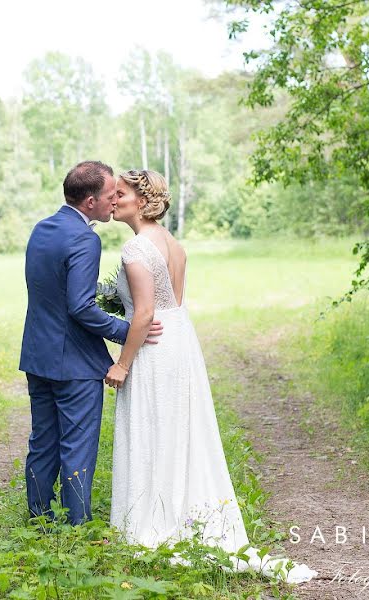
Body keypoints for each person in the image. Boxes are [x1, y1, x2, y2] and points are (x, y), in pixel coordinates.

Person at [104, 169, 317, 583]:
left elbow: (146, 314)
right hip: (180, 343)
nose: (113, 200)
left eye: (121, 194)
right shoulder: (173, 245)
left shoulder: (134, 249)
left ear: (142, 199)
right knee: (179, 430)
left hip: (153, 347)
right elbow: (173, 304)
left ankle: (152, 520)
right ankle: (179, 511)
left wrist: (122, 364)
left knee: (153, 429)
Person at [19, 161, 163, 525]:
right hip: (74, 363)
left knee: (43, 441)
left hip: (38, 355)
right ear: (89, 202)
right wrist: (128, 330)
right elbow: (80, 306)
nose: (114, 200)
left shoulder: (41, 229)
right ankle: (76, 527)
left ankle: (38, 518)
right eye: (109, 194)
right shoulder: (85, 238)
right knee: (77, 448)